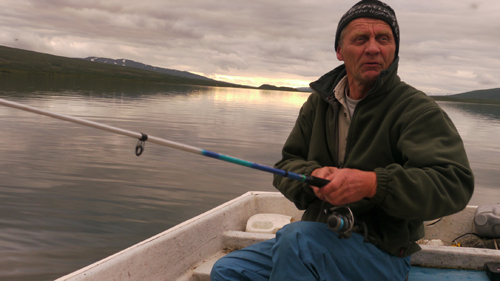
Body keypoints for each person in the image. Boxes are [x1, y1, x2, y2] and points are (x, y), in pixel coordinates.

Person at [211, 0, 474, 280]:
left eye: (383, 39)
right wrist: (311, 177)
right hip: (319, 237)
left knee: (297, 242)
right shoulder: (319, 103)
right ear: (339, 51)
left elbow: (454, 184)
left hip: (382, 253)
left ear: (394, 49)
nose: (373, 47)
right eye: (360, 39)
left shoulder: (416, 109)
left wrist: (373, 184)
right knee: (228, 271)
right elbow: (286, 165)